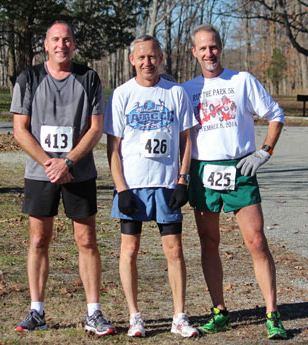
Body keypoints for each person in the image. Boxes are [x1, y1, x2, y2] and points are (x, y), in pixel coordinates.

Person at [181, 24, 287, 340]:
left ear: (220, 47)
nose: (209, 53)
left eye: (213, 47)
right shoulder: (187, 89)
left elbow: (275, 114)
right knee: (209, 242)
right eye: (202, 48)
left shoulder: (241, 81)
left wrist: (264, 152)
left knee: (256, 241)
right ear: (194, 52)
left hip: (240, 169)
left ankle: (272, 314)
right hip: (204, 171)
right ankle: (219, 311)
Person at [10, 20, 115, 337]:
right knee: (39, 240)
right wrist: (49, 163)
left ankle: (93, 313)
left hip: (78, 172)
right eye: (55, 39)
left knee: (87, 241)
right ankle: (36, 311)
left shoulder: (89, 78)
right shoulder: (29, 78)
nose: (61, 45)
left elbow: (96, 128)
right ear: (46, 44)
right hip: (40, 174)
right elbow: (20, 129)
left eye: (67, 39)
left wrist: (67, 161)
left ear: (74, 44)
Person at [104, 35, 198, 338]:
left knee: (174, 250)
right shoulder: (121, 95)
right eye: (141, 57)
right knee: (129, 249)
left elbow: (187, 141)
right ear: (132, 60)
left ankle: (179, 316)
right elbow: (113, 149)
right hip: (133, 186)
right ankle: (134, 316)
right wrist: (121, 189)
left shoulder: (176, 92)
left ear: (161, 58)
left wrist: (183, 179)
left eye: (153, 57)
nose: (147, 63)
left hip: (166, 186)